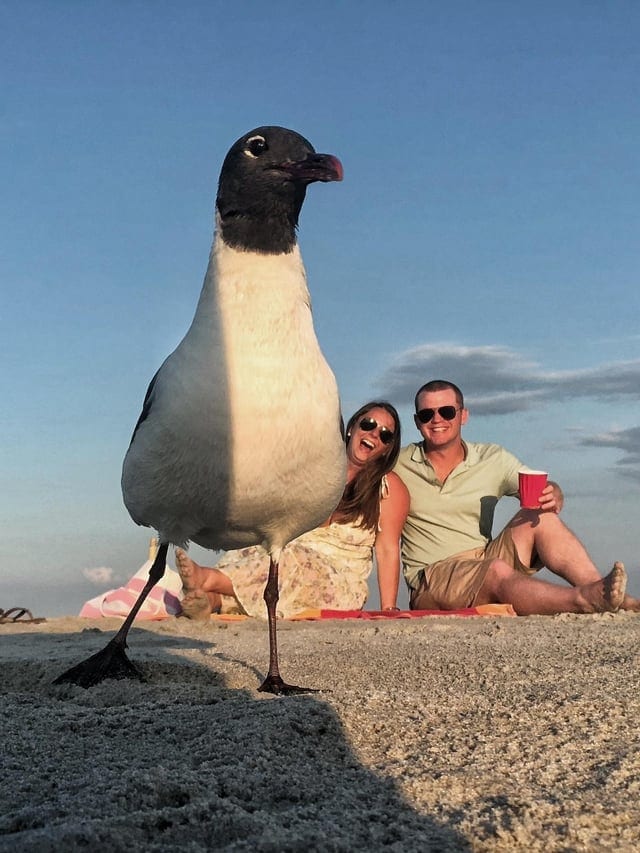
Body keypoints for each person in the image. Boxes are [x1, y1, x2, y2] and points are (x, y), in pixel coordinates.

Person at [394, 379, 639, 615]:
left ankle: (602, 590)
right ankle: (583, 599)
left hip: (483, 558)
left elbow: (540, 487)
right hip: (432, 578)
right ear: (417, 422)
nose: (437, 419)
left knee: (541, 516)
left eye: (446, 411)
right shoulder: (398, 464)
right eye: (426, 414)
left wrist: (554, 492)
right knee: (495, 571)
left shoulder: (491, 458)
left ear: (463, 415)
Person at [176, 401, 410, 619]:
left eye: (385, 434)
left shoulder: (387, 487)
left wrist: (388, 608)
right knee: (263, 547)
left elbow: (387, 549)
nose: (374, 434)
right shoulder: (316, 471)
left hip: (337, 582)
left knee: (292, 559)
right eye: (368, 424)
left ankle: (208, 579)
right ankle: (211, 601)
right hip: (291, 563)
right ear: (352, 428)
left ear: (386, 449)